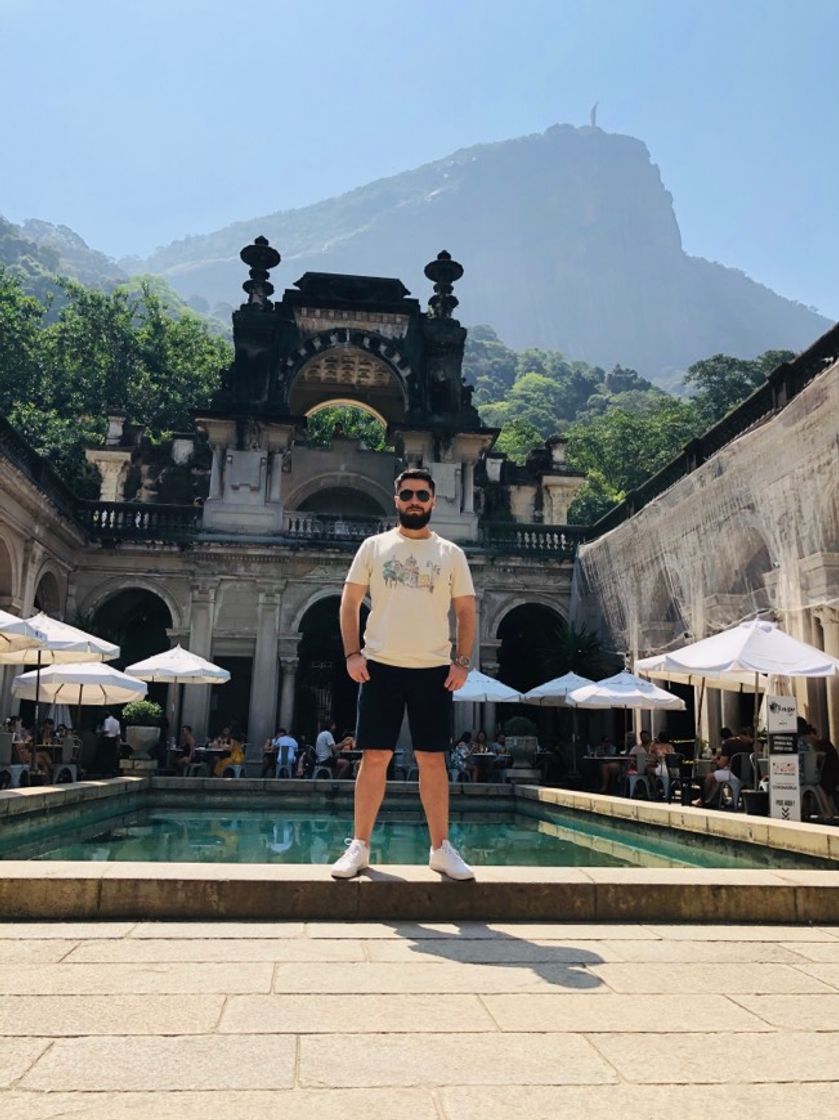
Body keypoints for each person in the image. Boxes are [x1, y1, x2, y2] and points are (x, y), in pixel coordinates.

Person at [331, 467, 477, 880]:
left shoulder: (451, 554)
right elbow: (349, 603)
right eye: (408, 494)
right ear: (396, 500)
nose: (415, 500)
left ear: (433, 501)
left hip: (433, 668)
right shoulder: (374, 547)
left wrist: (462, 662)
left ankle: (440, 848)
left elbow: (466, 611)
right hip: (379, 666)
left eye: (423, 495)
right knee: (374, 757)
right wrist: (352, 654)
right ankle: (359, 846)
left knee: (433, 760)